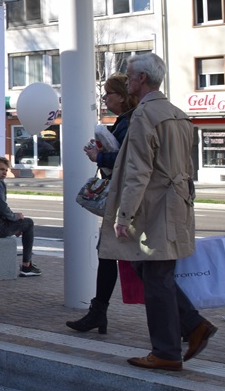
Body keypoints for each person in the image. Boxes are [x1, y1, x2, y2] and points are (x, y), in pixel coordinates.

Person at [100, 53, 216, 371]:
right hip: (177, 205)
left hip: (155, 209)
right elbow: (188, 167)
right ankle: (192, 326)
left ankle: (167, 350)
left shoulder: (144, 116)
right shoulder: (177, 114)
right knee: (152, 272)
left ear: (142, 80)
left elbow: (138, 171)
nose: (127, 79)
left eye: (130, 74)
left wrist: (124, 217)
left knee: (156, 277)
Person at [67, 72, 138, 334]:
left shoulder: (133, 121)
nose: (105, 97)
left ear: (122, 95)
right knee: (109, 255)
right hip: (122, 198)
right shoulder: (123, 121)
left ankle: (189, 319)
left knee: (141, 264)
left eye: (108, 93)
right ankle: (98, 313)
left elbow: (128, 160)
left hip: (128, 199)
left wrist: (99, 157)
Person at [0, 157, 40, 276]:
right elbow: (2, 207)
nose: (4, 172)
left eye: (6, 170)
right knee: (28, 223)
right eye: (1, 169)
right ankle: (27, 265)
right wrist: (15, 218)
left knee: (21, 223)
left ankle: (27, 264)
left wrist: (14, 222)